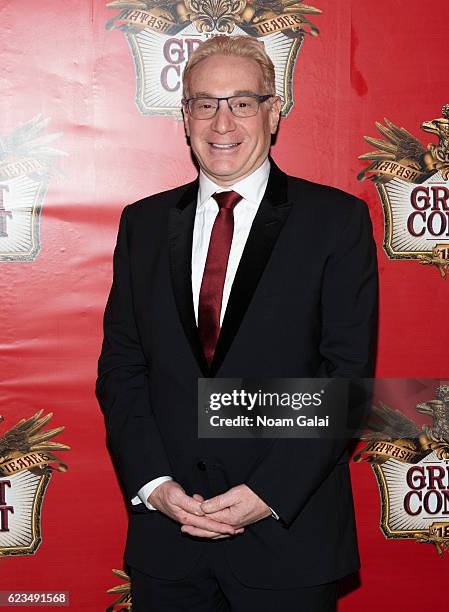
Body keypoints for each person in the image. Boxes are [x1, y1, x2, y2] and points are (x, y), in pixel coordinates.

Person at [96, 35, 378, 611]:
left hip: (287, 540)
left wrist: (265, 494)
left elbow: (345, 380)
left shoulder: (335, 221)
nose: (223, 121)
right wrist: (156, 487)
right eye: (205, 103)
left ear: (274, 113)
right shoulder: (143, 225)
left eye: (243, 102)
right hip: (169, 542)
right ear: (185, 116)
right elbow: (122, 369)